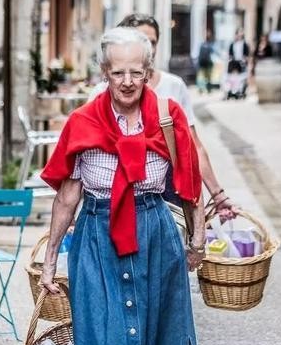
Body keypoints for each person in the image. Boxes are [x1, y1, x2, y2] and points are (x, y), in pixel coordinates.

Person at [40, 28, 216, 345]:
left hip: (155, 238)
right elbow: (67, 195)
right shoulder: (82, 122)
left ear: (149, 72)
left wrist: (197, 241)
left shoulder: (167, 117)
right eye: (117, 71)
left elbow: (188, 187)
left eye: (136, 71)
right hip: (98, 239)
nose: (127, 81)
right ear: (103, 72)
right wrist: (50, 257)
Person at [91, 13, 238, 221]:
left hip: (168, 192)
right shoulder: (100, 93)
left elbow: (193, 145)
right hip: (116, 194)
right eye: (141, 41)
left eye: (152, 42)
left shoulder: (173, 86)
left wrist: (218, 195)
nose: (148, 48)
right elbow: (85, 155)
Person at [197, 29, 216, 94]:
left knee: (208, 77)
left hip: (207, 63)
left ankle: (208, 89)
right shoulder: (202, 44)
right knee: (202, 76)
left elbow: (213, 53)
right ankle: (201, 89)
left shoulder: (210, 44)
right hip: (202, 62)